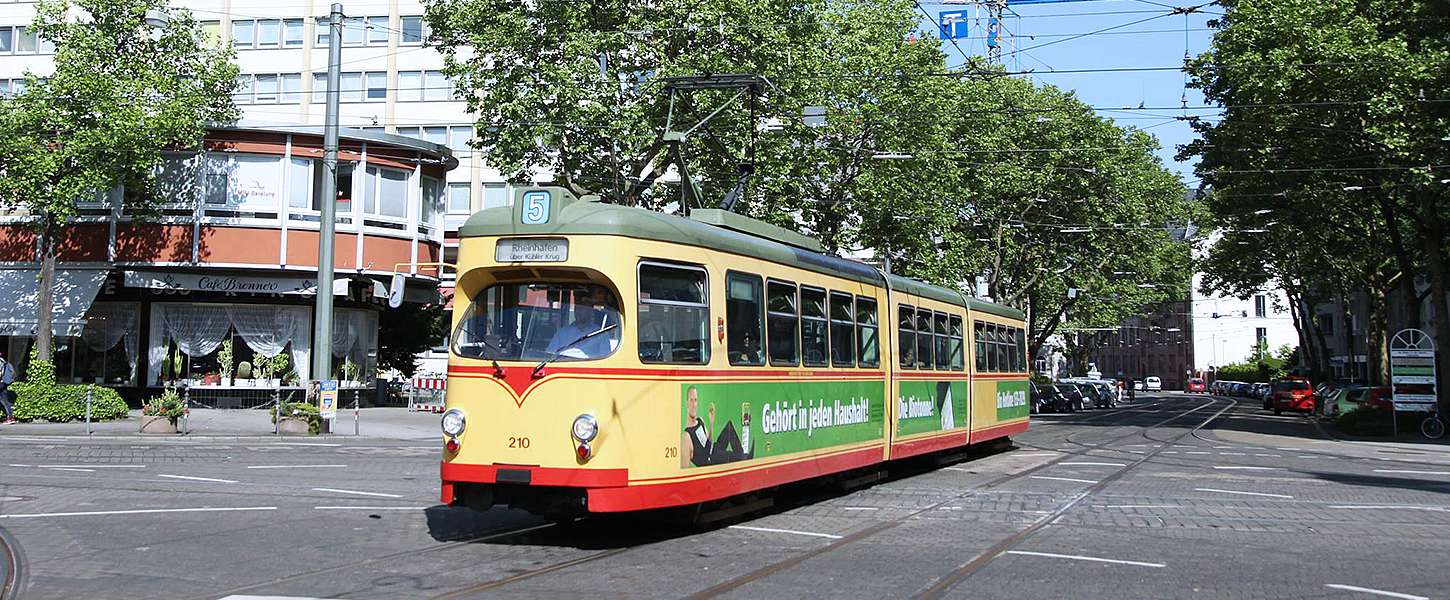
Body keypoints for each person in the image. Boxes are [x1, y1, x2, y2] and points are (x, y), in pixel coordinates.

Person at [681, 386, 752, 468]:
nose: (694, 404)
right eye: (691, 400)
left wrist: (711, 422)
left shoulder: (700, 420)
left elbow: (709, 440)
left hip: (713, 448)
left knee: (729, 426)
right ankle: (744, 457)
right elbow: (685, 469)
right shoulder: (686, 436)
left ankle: (743, 456)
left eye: (696, 400)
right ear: (687, 403)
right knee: (730, 455)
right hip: (710, 459)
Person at [545, 291, 617, 359]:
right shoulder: (562, 332)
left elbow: (605, 360)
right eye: (577, 308)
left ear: (590, 311)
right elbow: (549, 354)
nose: (578, 311)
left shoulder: (601, 334)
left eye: (582, 308)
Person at [0, 351, 16, 424]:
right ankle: (10, 418)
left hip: (1, 382)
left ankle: (10, 418)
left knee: (4, 401)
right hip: (5, 382)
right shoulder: (5, 362)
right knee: (4, 401)